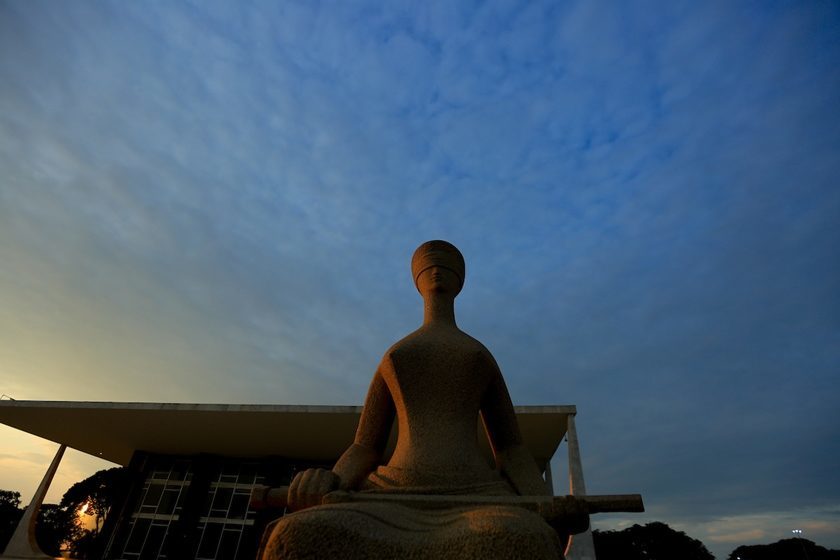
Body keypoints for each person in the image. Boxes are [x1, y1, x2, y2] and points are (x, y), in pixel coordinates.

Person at [261, 241, 575, 559]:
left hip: (476, 495)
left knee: (522, 539)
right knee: (300, 534)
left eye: (447, 264)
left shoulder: (478, 355)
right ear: (417, 280)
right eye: (430, 264)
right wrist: (330, 481)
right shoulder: (397, 354)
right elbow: (364, 446)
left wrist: (543, 500)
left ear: (460, 281)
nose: (438, 269)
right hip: (388, 496)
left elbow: (511, 449)